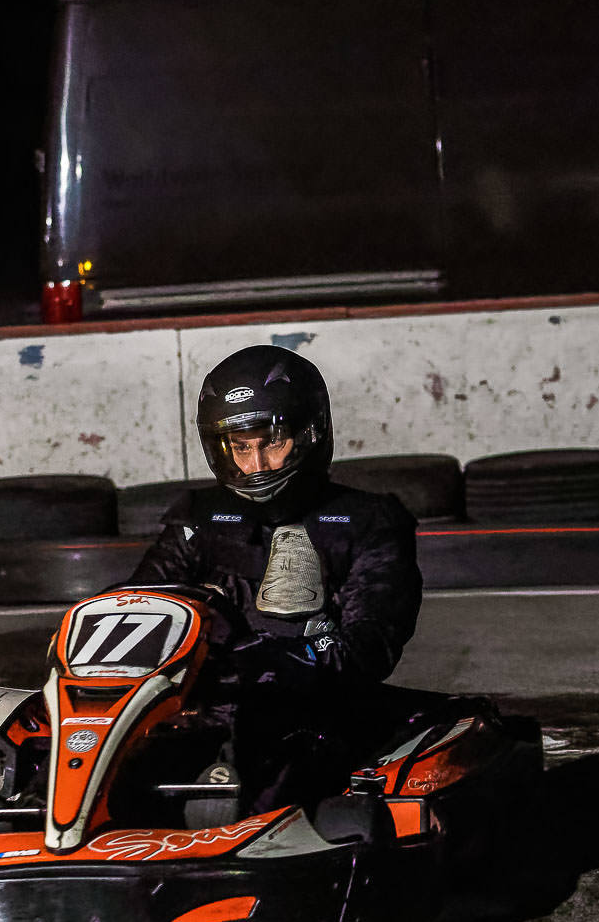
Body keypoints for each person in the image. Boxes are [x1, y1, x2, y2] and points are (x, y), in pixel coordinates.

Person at [128, 344, 423, 814]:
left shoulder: (368, 522)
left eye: (271, 443)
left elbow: (371, 646)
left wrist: (273, 657)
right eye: (241, 448)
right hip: (200, 707)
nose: (256, 465)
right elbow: (138, 606)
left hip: (308, 711)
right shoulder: (198, 520)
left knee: (269, 774)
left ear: (310, 434)